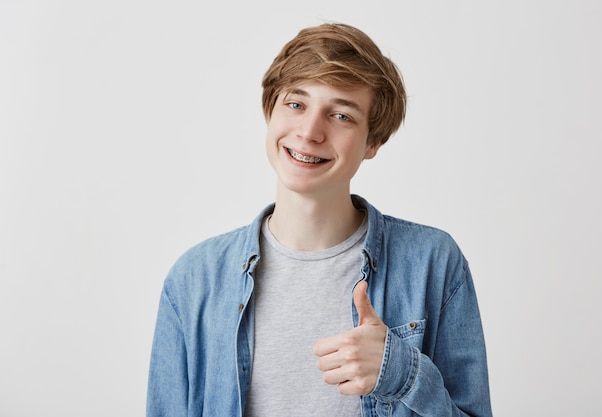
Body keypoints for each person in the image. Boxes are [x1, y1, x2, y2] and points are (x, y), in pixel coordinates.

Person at [147, 22, 492, 417]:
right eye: (296, 104)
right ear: (270, 111)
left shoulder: (433, 262)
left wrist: (402, 373)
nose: (310, 132)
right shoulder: (194, 278)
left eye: (341, 116)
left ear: (373, 142)